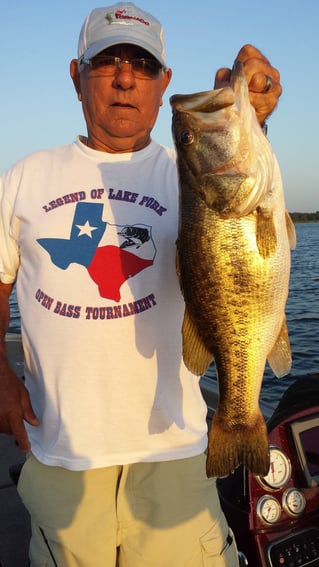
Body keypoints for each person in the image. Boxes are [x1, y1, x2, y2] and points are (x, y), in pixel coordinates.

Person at [0, 3, 282, 566]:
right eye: (107, 62)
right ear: (77, 77)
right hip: (63, 455)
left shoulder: (186, 173)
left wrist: (256, 110)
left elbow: (238, 199)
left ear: (164, 85)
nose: (126, 78)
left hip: (177, 450)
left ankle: (238, 420)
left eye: (144, 66)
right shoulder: (26, 177)